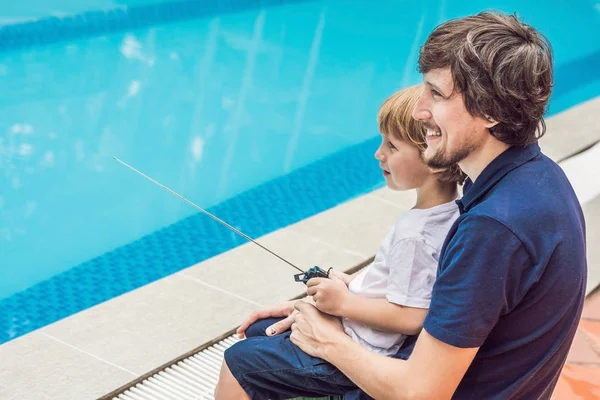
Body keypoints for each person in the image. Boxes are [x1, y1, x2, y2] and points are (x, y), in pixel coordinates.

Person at [286, 10, 587, 400]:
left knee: (250, 362)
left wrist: (327, 339)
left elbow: (420, 392)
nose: (418, 110)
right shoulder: (539, 177)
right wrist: (355, 295)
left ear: (491, 112)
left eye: (438, 95)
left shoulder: (495, 227)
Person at [213, 84, 466, 399]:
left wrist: (344, 302)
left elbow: (412, 316)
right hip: (364, 333)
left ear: (435, 159)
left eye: (392, 146)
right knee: (256, 333)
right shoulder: (451, 214)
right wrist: (350, 284)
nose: (379, 153)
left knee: (239, 362)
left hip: (360, 350)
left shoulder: (416, 233)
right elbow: (409, 287)